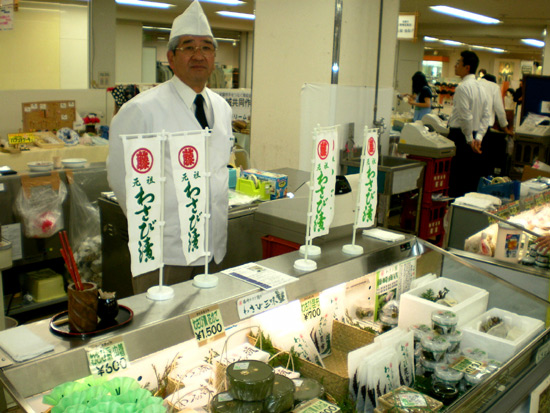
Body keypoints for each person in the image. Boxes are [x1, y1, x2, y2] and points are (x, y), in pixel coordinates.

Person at [107, 0, 233, 293]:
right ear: (171, 57)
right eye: (188, 47)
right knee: (160, 332)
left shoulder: (222, 108)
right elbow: (121, 179)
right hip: (164, 254)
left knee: (207, 327)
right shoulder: (141, 110)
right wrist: (157, 228)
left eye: (206, 47)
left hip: (212, 247)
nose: (198, 55)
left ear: (214, 57)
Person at [447, 50, 491, 198]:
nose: (455, 66)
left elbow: (465, 116)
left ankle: (452, 212)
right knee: (470, 180)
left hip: (461, 137)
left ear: (467, 67)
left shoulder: (462, 88)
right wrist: (478, 137)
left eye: (458, 63)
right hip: (476, 138)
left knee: (456, 179)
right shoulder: (482, 88)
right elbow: (486, 116)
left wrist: (469, 140)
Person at [477, 73, 512, 176]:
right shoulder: (494, 87)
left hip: (469, 126)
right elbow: (499, 110)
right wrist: (505, 128)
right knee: (484, 158)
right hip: (485, 129)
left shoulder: (473, 84)